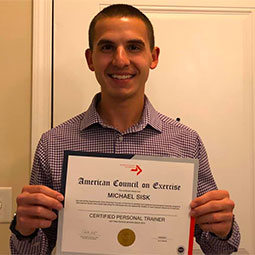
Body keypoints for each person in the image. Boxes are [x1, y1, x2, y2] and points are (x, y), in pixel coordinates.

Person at [10, 4, 240, 254]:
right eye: (107, 47)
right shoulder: (53, 143)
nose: (120, 60)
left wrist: (224, 228)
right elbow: (34, 250)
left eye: (133, 47)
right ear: (91, 59)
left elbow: (219, 249)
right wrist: (25, 229)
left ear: (153, 57)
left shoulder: (186, 142)